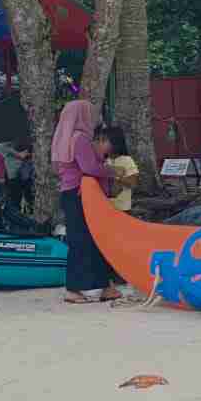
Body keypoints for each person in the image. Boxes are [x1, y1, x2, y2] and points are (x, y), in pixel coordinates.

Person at [51, 99, 118, 304]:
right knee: (86, 241)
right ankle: (74, 289)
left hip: (70, 193)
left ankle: (105, 286)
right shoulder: (80, 138)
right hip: (81, 195)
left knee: (84, 240)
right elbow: (89, 168)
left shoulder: (63, 139)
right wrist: (112, 171)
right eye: (89, 113)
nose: (93, 117)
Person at [97, 126, 139, 213]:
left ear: (115, 142)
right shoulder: (104, 161)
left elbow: (133, 182)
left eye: (103, 140)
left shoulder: (127, 160)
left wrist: (116, 177)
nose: (100, 144)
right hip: (106, 207)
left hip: (122, 208)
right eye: (99, 140)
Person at [0, 137, 34, 216]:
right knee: (15, 201)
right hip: (14, 172)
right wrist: (18, 154)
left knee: (30, 198)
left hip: (29, 171)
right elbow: (0, 146)